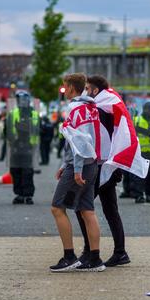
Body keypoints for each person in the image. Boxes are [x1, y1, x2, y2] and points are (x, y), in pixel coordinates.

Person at [74, 74, 131, 268]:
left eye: (88, 88)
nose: (86, 91)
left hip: (102, 165)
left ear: (95, 90)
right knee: (110, 210)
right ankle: (120, 252)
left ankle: (90, 252)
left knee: (82, 206)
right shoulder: (108, 104)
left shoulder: (100, 108)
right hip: (109, 165)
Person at [50, 73, 103, 272]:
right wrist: (67, 163)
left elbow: (78, 141)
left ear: (71, 88)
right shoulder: (92, 107)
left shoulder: (74, 108)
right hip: (92, 163)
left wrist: (74, 168)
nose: (64, 90)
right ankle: (95, 259)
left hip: (80, 165)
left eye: (65, 87)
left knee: (57, 208)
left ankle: (69, 256)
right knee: (87, 210)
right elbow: (86, 139)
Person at [6, 91, 39, 205]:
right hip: (15, 145)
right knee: (15, 171)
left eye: (24, 99)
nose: (22, 102)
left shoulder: (34, 114)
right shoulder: (13, 113)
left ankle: (28, 195)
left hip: (29, 146)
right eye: (20, 99)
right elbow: (8, 130)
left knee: (27, 171)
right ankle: (19, 194)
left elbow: (38, 130)